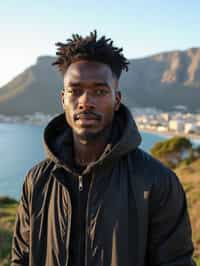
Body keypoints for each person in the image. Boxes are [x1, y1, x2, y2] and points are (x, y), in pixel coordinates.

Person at [11, 30, 195, 266]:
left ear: (116, 99)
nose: (85, 101)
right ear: (63, 99)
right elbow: (21, 260)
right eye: (75, 91)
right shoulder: (36, 181)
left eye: (99, 91)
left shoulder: (157, 182)